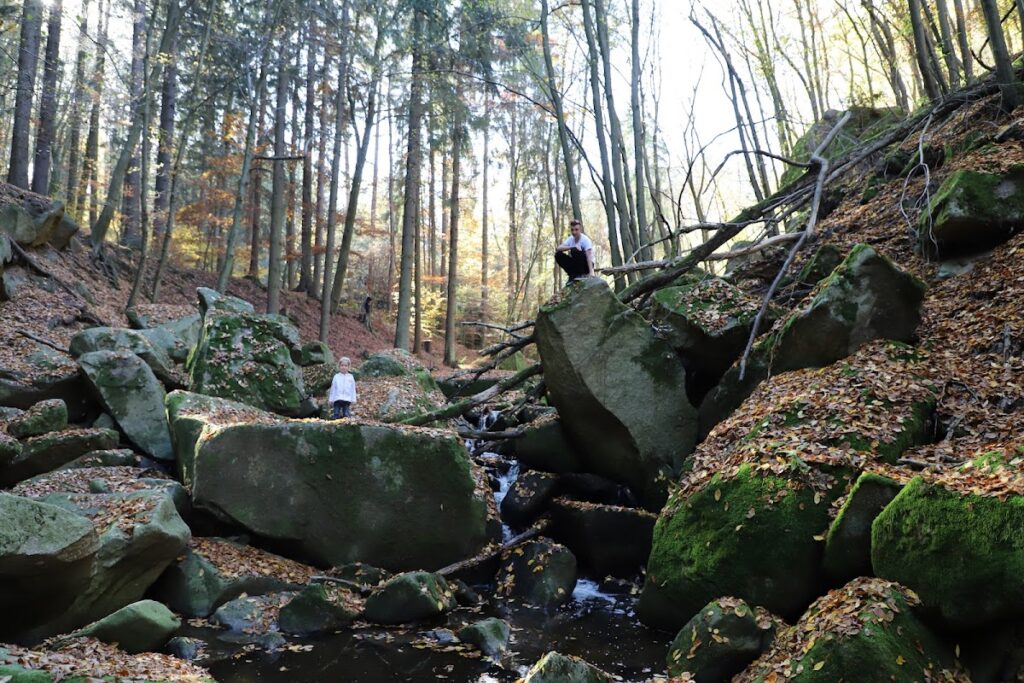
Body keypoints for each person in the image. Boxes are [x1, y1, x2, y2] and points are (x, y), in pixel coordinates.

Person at [554, 219, 594, 284]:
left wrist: (591, 272)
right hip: (576, 265)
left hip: (586, 266)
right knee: (558, 255)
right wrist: (571, 247)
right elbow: (558, 248)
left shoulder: (585, 240)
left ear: (580, 229)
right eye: (572, 230)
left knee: (575, 251)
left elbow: (589, 256)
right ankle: (572, 275)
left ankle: (580, 274)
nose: (574, 232)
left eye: (576, 230)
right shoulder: (571, 239)